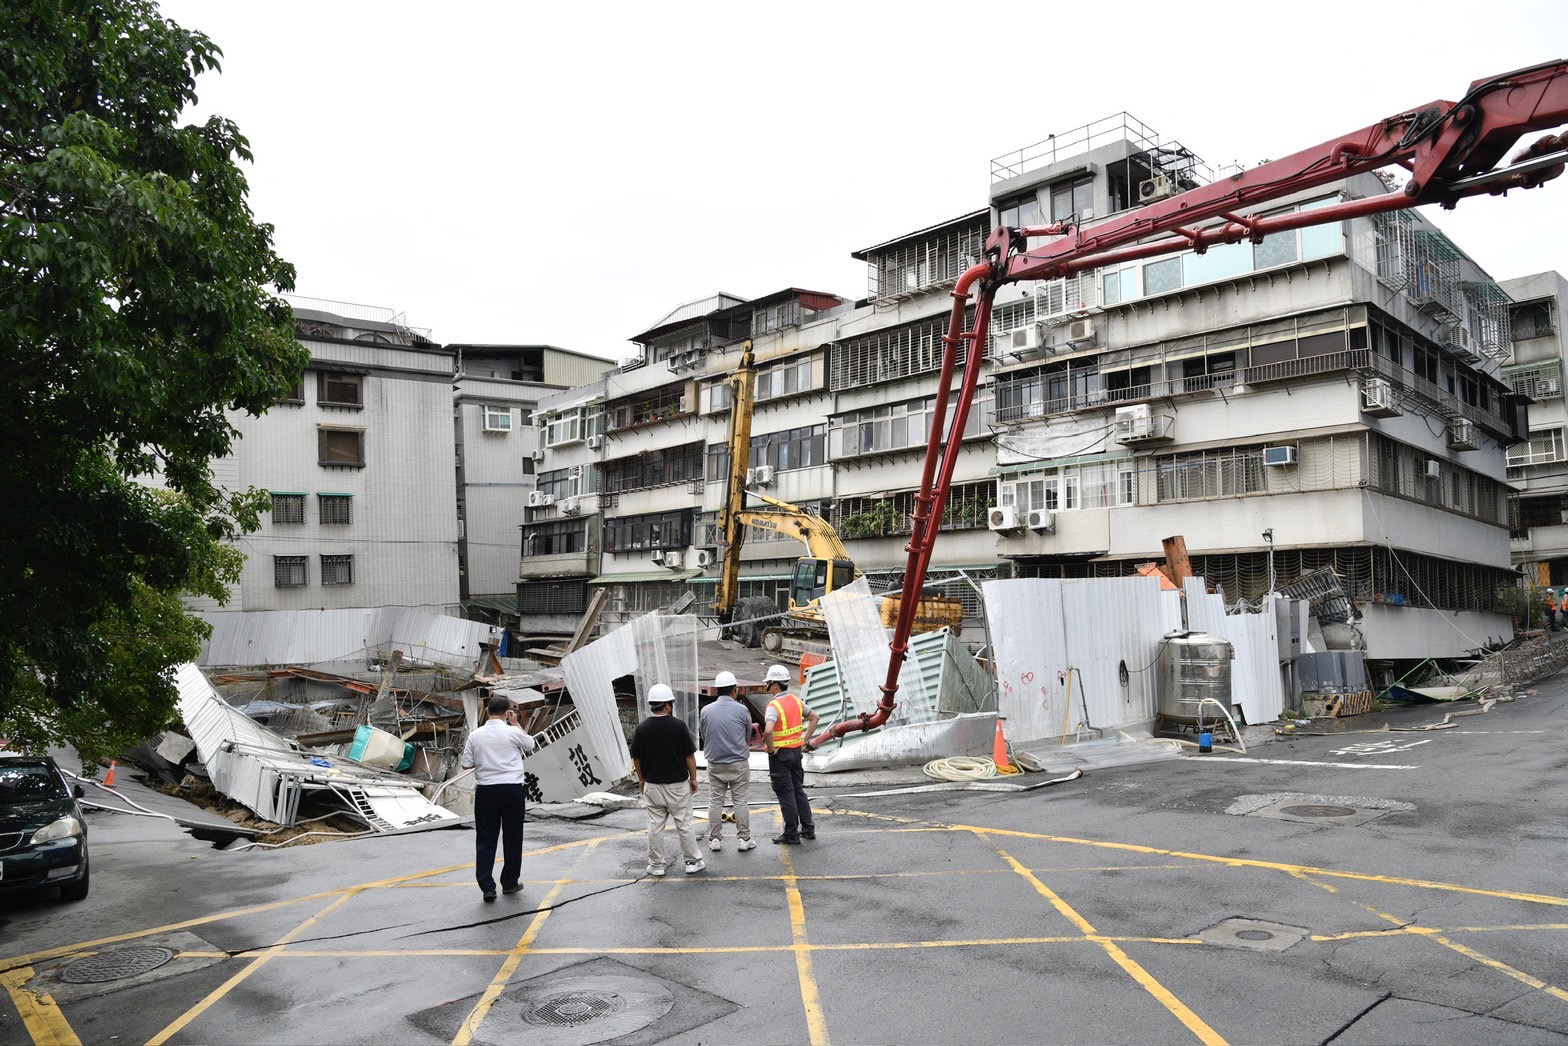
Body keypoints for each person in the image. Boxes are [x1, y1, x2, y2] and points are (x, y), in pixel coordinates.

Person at [459, 695, 538, 901]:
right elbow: (530, 744)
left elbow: (466, 764)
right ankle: (510, 882)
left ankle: (487, 886)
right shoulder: (512, 732)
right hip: (512, 789)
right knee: (513, 836)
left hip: (486, 790)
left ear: (487, 711)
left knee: (486, 837)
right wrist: (516, 724)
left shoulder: (475, 735)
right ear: (507, 713)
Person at [630, 683, 704, 876]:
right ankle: (692, 862)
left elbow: (636, 758)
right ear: (667, 705)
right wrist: (694, 778)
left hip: (653, 785)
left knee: (655, 827)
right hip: (677, 786)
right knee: (684, 824)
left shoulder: (641, 728)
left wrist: (641, 779)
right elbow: (689, 755)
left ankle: (656, 865)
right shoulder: (678, 726)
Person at [700, 670, 756, 853]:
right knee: (740, 801)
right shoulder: (742, 710)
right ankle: (743, 839)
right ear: (734, 690)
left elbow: (704, 734)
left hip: (715, 763)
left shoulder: (706, 711)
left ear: (716, 691)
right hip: (738, 762)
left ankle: (715, 839)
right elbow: (748, 735)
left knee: (715, 801)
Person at [763, 664, 819, 844]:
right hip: (796, 753)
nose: (767, 687)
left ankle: (791, 833)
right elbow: (814, 717)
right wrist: (803, 741)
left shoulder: (773, 706)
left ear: (776, 685)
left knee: (785, 792)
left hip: (780, 756)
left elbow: (768, 731)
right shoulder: (796, 700)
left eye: (769, 683)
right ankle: (808, 828)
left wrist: (771, 750)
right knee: (797, 790)